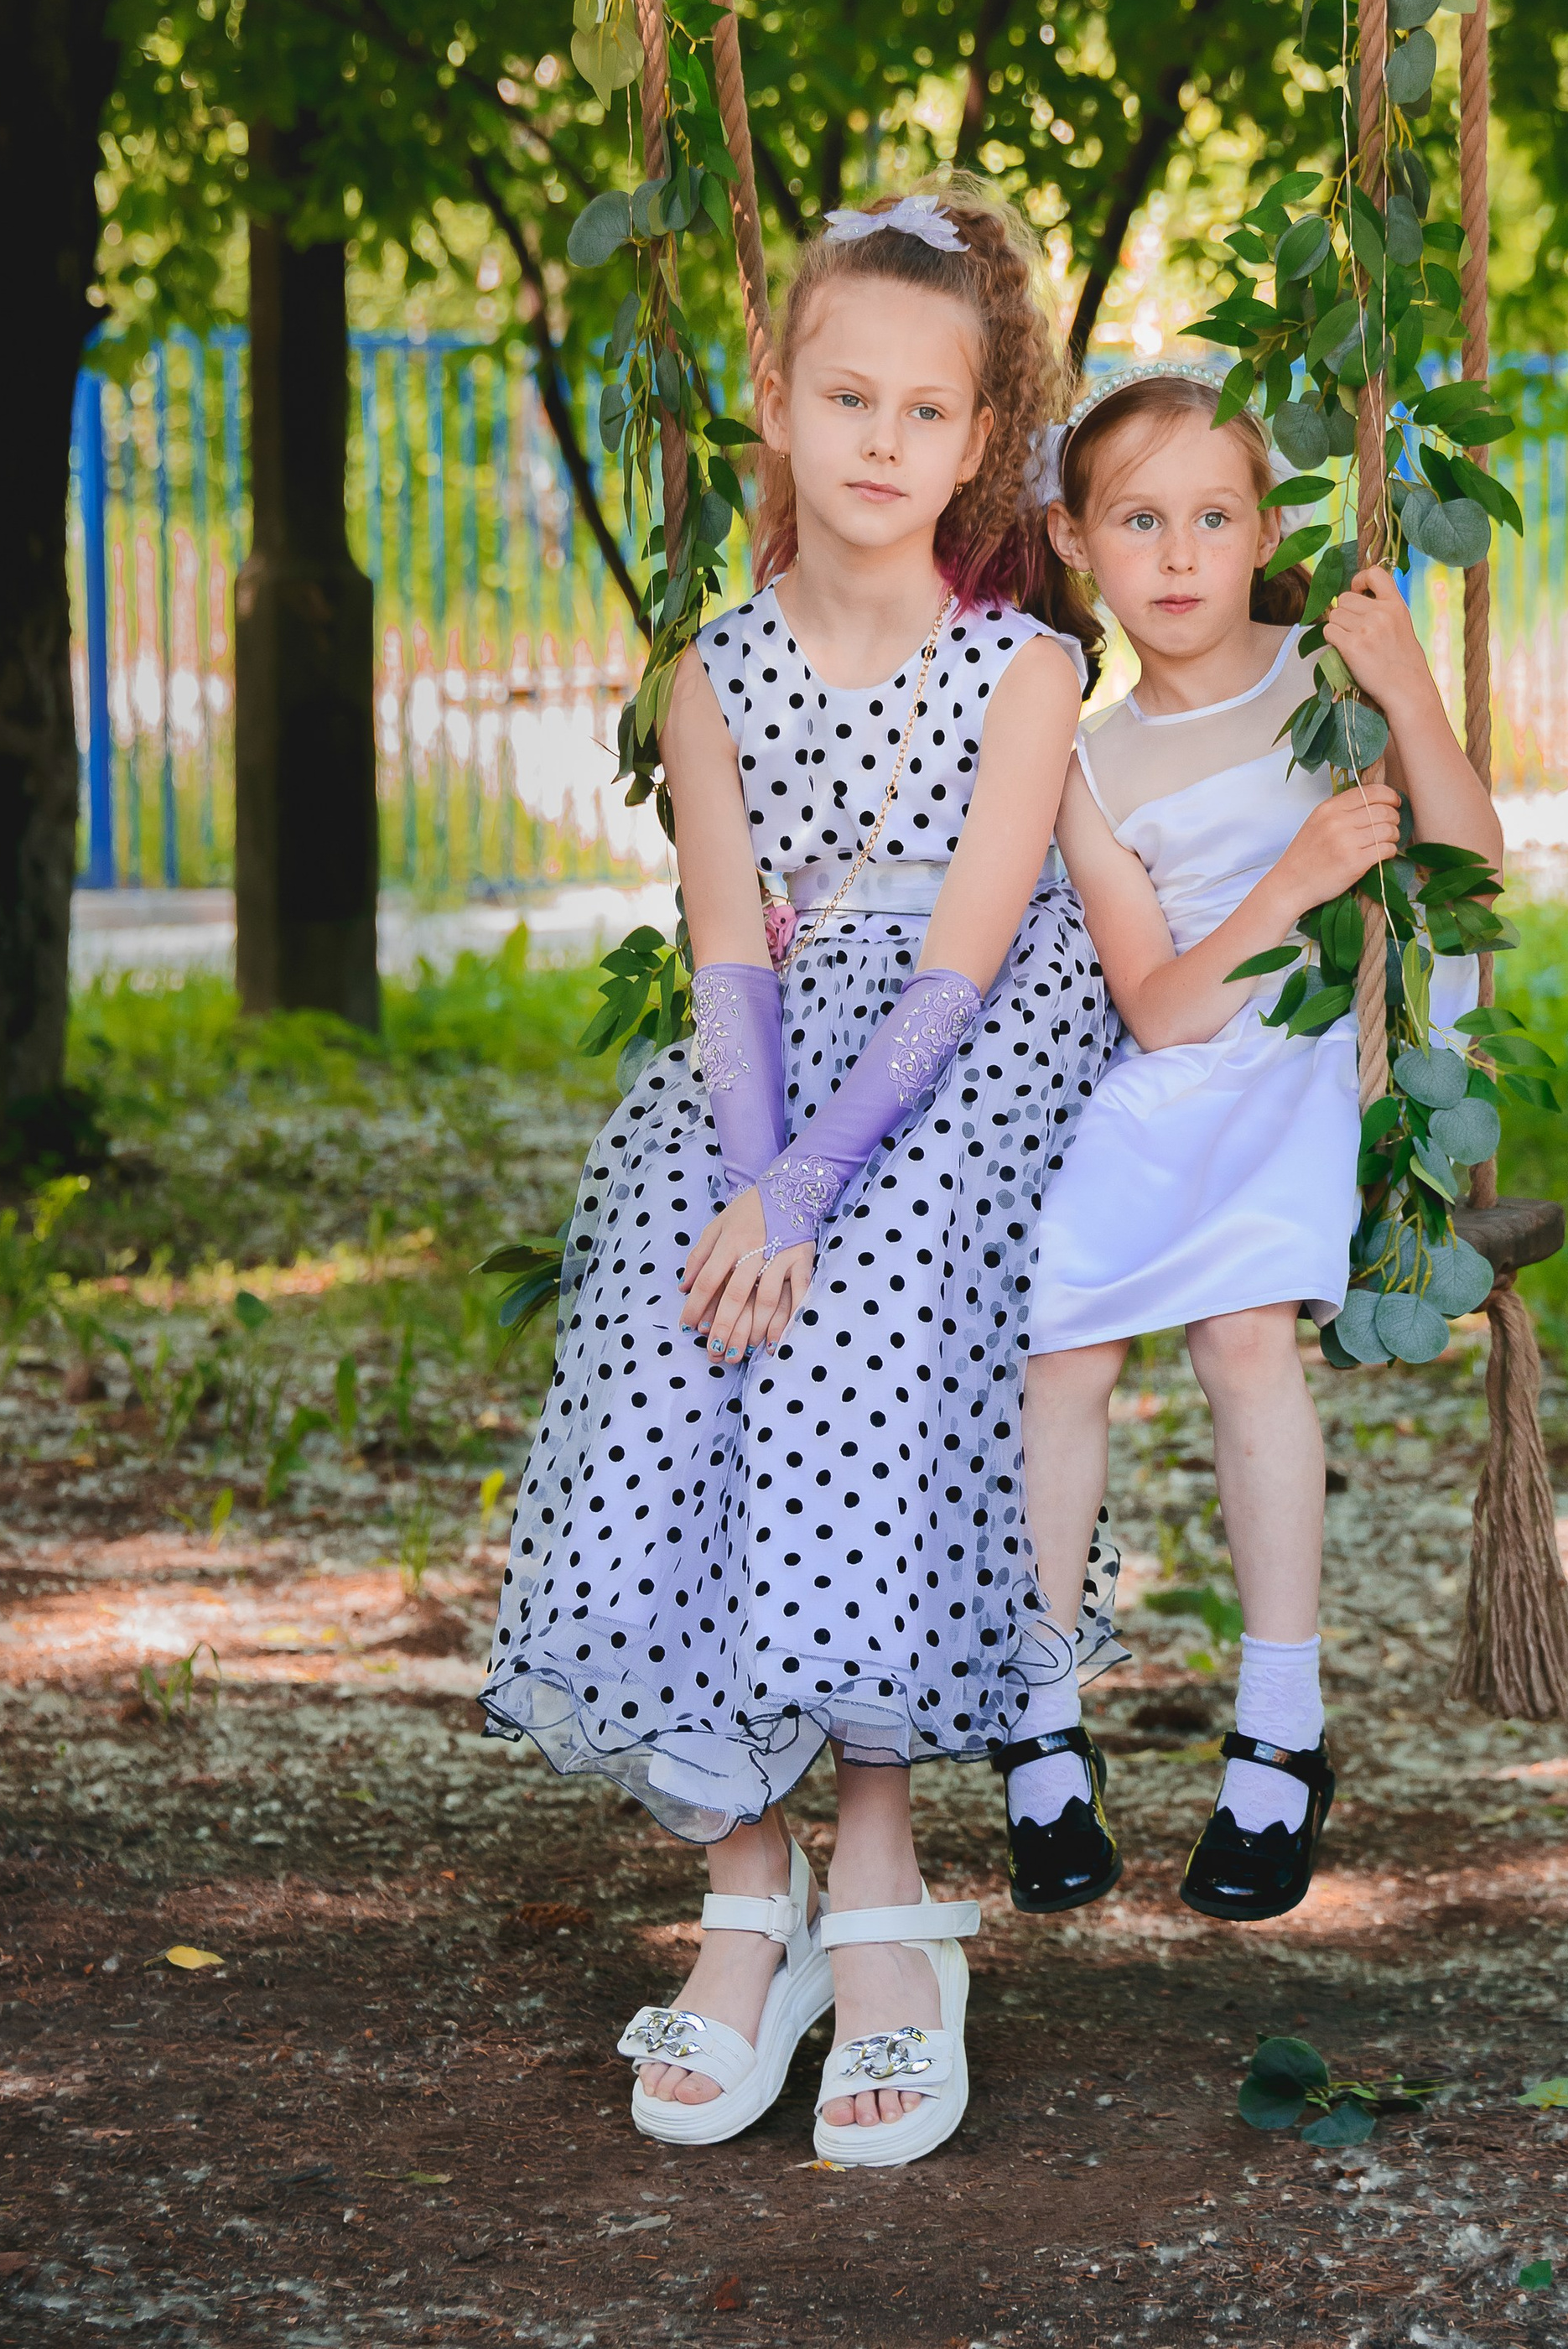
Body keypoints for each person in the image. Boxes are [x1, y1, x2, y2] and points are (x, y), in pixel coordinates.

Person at [481, 179, 1112, 2168]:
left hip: (958, 1062)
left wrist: (810, 1199)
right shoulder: (712, 676)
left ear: (979, 437)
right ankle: (740, 1888)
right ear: (774, 394)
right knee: (674, 1298)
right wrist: (747, 1190)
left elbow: (964, 958)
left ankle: (880, 1888)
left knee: (857, 1307)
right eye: (844, 398)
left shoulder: (1020, 671)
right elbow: (732, 952)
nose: (879, 445)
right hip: (765, 1065)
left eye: (927, 415)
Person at [997, 365, 1503, 1925]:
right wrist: (1281, 883)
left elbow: (1474, 873)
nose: (1178, 553)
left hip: (1321, 1056)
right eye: (1139, 521)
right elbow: (1153, 1006)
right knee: (1058, 1342)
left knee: (1237, 1335)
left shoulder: (1327, 681)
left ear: (1264, 527)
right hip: (1194, 1052)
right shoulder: (1083, 769)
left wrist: (1409, 686)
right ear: (1079, 545)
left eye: (1214, 517)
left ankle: (1279, 1733)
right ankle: (1039, 1717)